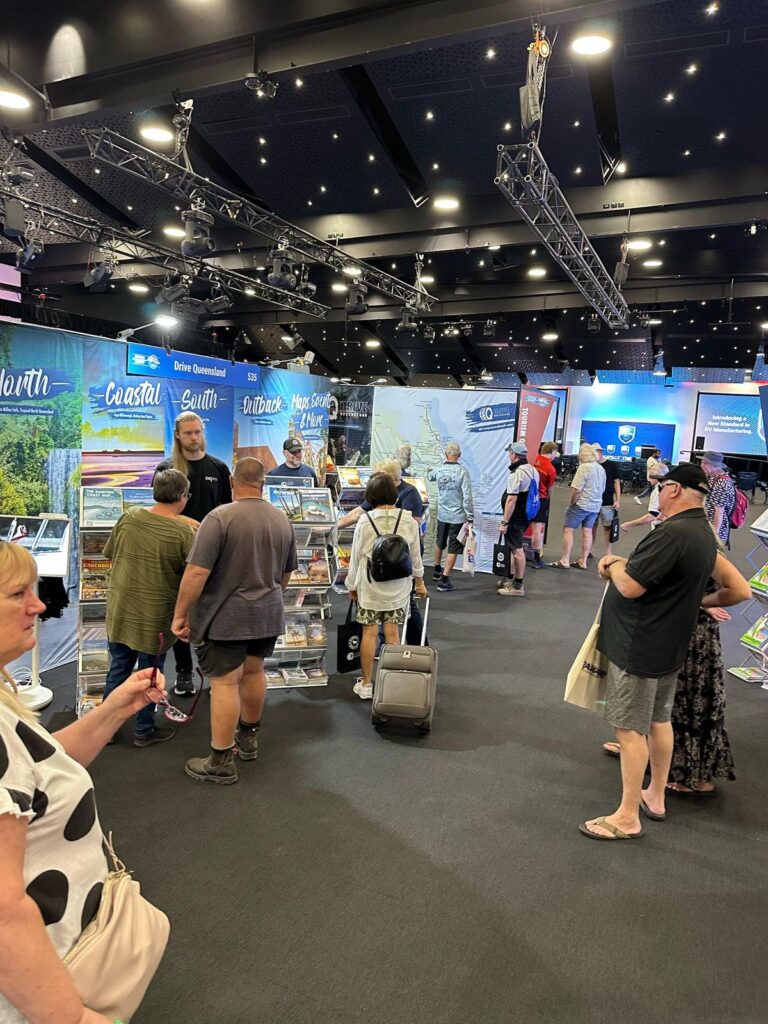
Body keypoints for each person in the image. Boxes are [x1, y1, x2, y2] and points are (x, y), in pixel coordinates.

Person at [0, 539, 168, 1024]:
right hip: (42, 988)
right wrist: (69, 1017)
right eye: (18, 595)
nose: (38, 604)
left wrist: (115, 707)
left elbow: (43, 767)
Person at [579, 463, 735, 841]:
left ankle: (627, 817)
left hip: (641, 644)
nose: (659, 492)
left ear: (675, 490)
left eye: (662, 485)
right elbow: (736, 588)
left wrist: (613, 564)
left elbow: (631, 587)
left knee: (630, 729)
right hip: (668, 644)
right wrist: (696, 601)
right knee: (658, 721)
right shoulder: (704, 532)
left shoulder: (674, 532)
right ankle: (655, 795)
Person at [171, 458, 297, 786]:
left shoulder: (220, 517)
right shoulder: (281, 520)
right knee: (254, 673)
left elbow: (197, 571)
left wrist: (181, 613)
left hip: (226, 617)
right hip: (266, 614)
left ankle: (221, 760)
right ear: (263, 483)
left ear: (231, 481)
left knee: (225, 683)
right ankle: (249, 739)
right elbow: (285, 575)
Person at [603, 559, 749, 795]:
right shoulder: (691, 535)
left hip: (691, 634)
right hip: (681, 629)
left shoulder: (699, 539)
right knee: (668, 706)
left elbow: (738, 589)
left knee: (685, 703)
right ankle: (648, 754)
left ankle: (692, 774)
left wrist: (700, 603)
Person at [102, 469, 196, 747]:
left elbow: (110, 553)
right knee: (150, 675)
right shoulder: (183, 533)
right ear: (183, 497)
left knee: (118, 668)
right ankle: (144, 730)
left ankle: (105, 729)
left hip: (120, 610)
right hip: (155, 618)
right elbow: (190, 577)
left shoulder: (129, 517)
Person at [155, 412, 232, 696]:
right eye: (188, 433)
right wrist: (183, 521)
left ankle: (216, 673)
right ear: (177, 435)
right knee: (182, 612)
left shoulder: (219, 468)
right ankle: (185, 672)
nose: (194, 438)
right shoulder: (166, 469)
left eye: (198, 432)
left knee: (213, 612)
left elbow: (228, 512)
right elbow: (158, 515)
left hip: (213, 556)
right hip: (176, 555)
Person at [345, 472, 427, 699]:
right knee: (393, 633)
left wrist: (351, 586)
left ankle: (367, 684)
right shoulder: (408, 520)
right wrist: (419, 583)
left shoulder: (365, 521)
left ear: (371, 494)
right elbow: (416, 557)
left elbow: (355, 558)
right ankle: (393, 682)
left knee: (369, 634)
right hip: (399, 588)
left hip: (371, 588)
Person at [550, 443, 605, 570]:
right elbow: (602, 488)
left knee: (568, 529)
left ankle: (565, 560)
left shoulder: (583, 468)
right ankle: (583, 561)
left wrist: (572, 504)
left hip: (581, 505)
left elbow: (576, 490)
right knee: (587, 531)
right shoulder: (600, 468)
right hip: (595, 505)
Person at [427, 441, 473, 593]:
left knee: (439, 542)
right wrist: (470, 516)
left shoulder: (439, 470)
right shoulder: (462, 472)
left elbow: (430, 476)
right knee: (453, 547)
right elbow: (467, 496)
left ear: (446, 454)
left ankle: (436, 570)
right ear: (459, 456)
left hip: (442, 515)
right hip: (457, 516)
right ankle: (444, 580)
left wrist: (431, 470)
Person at [497, 441, 539, 597]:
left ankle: (517, 586)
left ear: (514, 455)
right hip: (526, 515)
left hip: (515, 517)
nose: (509, 455)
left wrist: (504, 522)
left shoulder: (517, 473)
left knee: (517, 550)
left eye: (510, 453)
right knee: (514, 548)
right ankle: (510, 579)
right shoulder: (533, 470)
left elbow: (511, 500)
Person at [338, 458, 424, 531]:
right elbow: (357, 513)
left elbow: (413, 524)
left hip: (401, 545)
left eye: (379, 476)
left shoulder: (410, 492)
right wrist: (335, 527)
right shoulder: (380, 489)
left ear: (391, 477)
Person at [530, 442, 558, 569]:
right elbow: (550, 489)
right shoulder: (551, 469)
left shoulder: (535, 460)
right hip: (540, 499)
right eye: (555, 453)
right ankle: (536, 558)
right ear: (551, 451)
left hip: (529, 498)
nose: (556, 456)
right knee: (537, 529)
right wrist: (548, 499)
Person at [701, 451, 736, 546]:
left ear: (714, 465)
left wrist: (714, 535)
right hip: (707, 525)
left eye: (705, 463)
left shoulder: (721, 484)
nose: (701, 465)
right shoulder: (714, 478)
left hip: (713, 529)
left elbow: (719, 512)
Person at [592, 443, 621, 558]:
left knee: (608, 527)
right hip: (593, 500)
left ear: (600, 452)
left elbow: (616, 482)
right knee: (591, 526)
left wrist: (618, 500)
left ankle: (608, 552)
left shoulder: (611, 464)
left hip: (608, 500)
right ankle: (589, 550)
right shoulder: (591, 465)